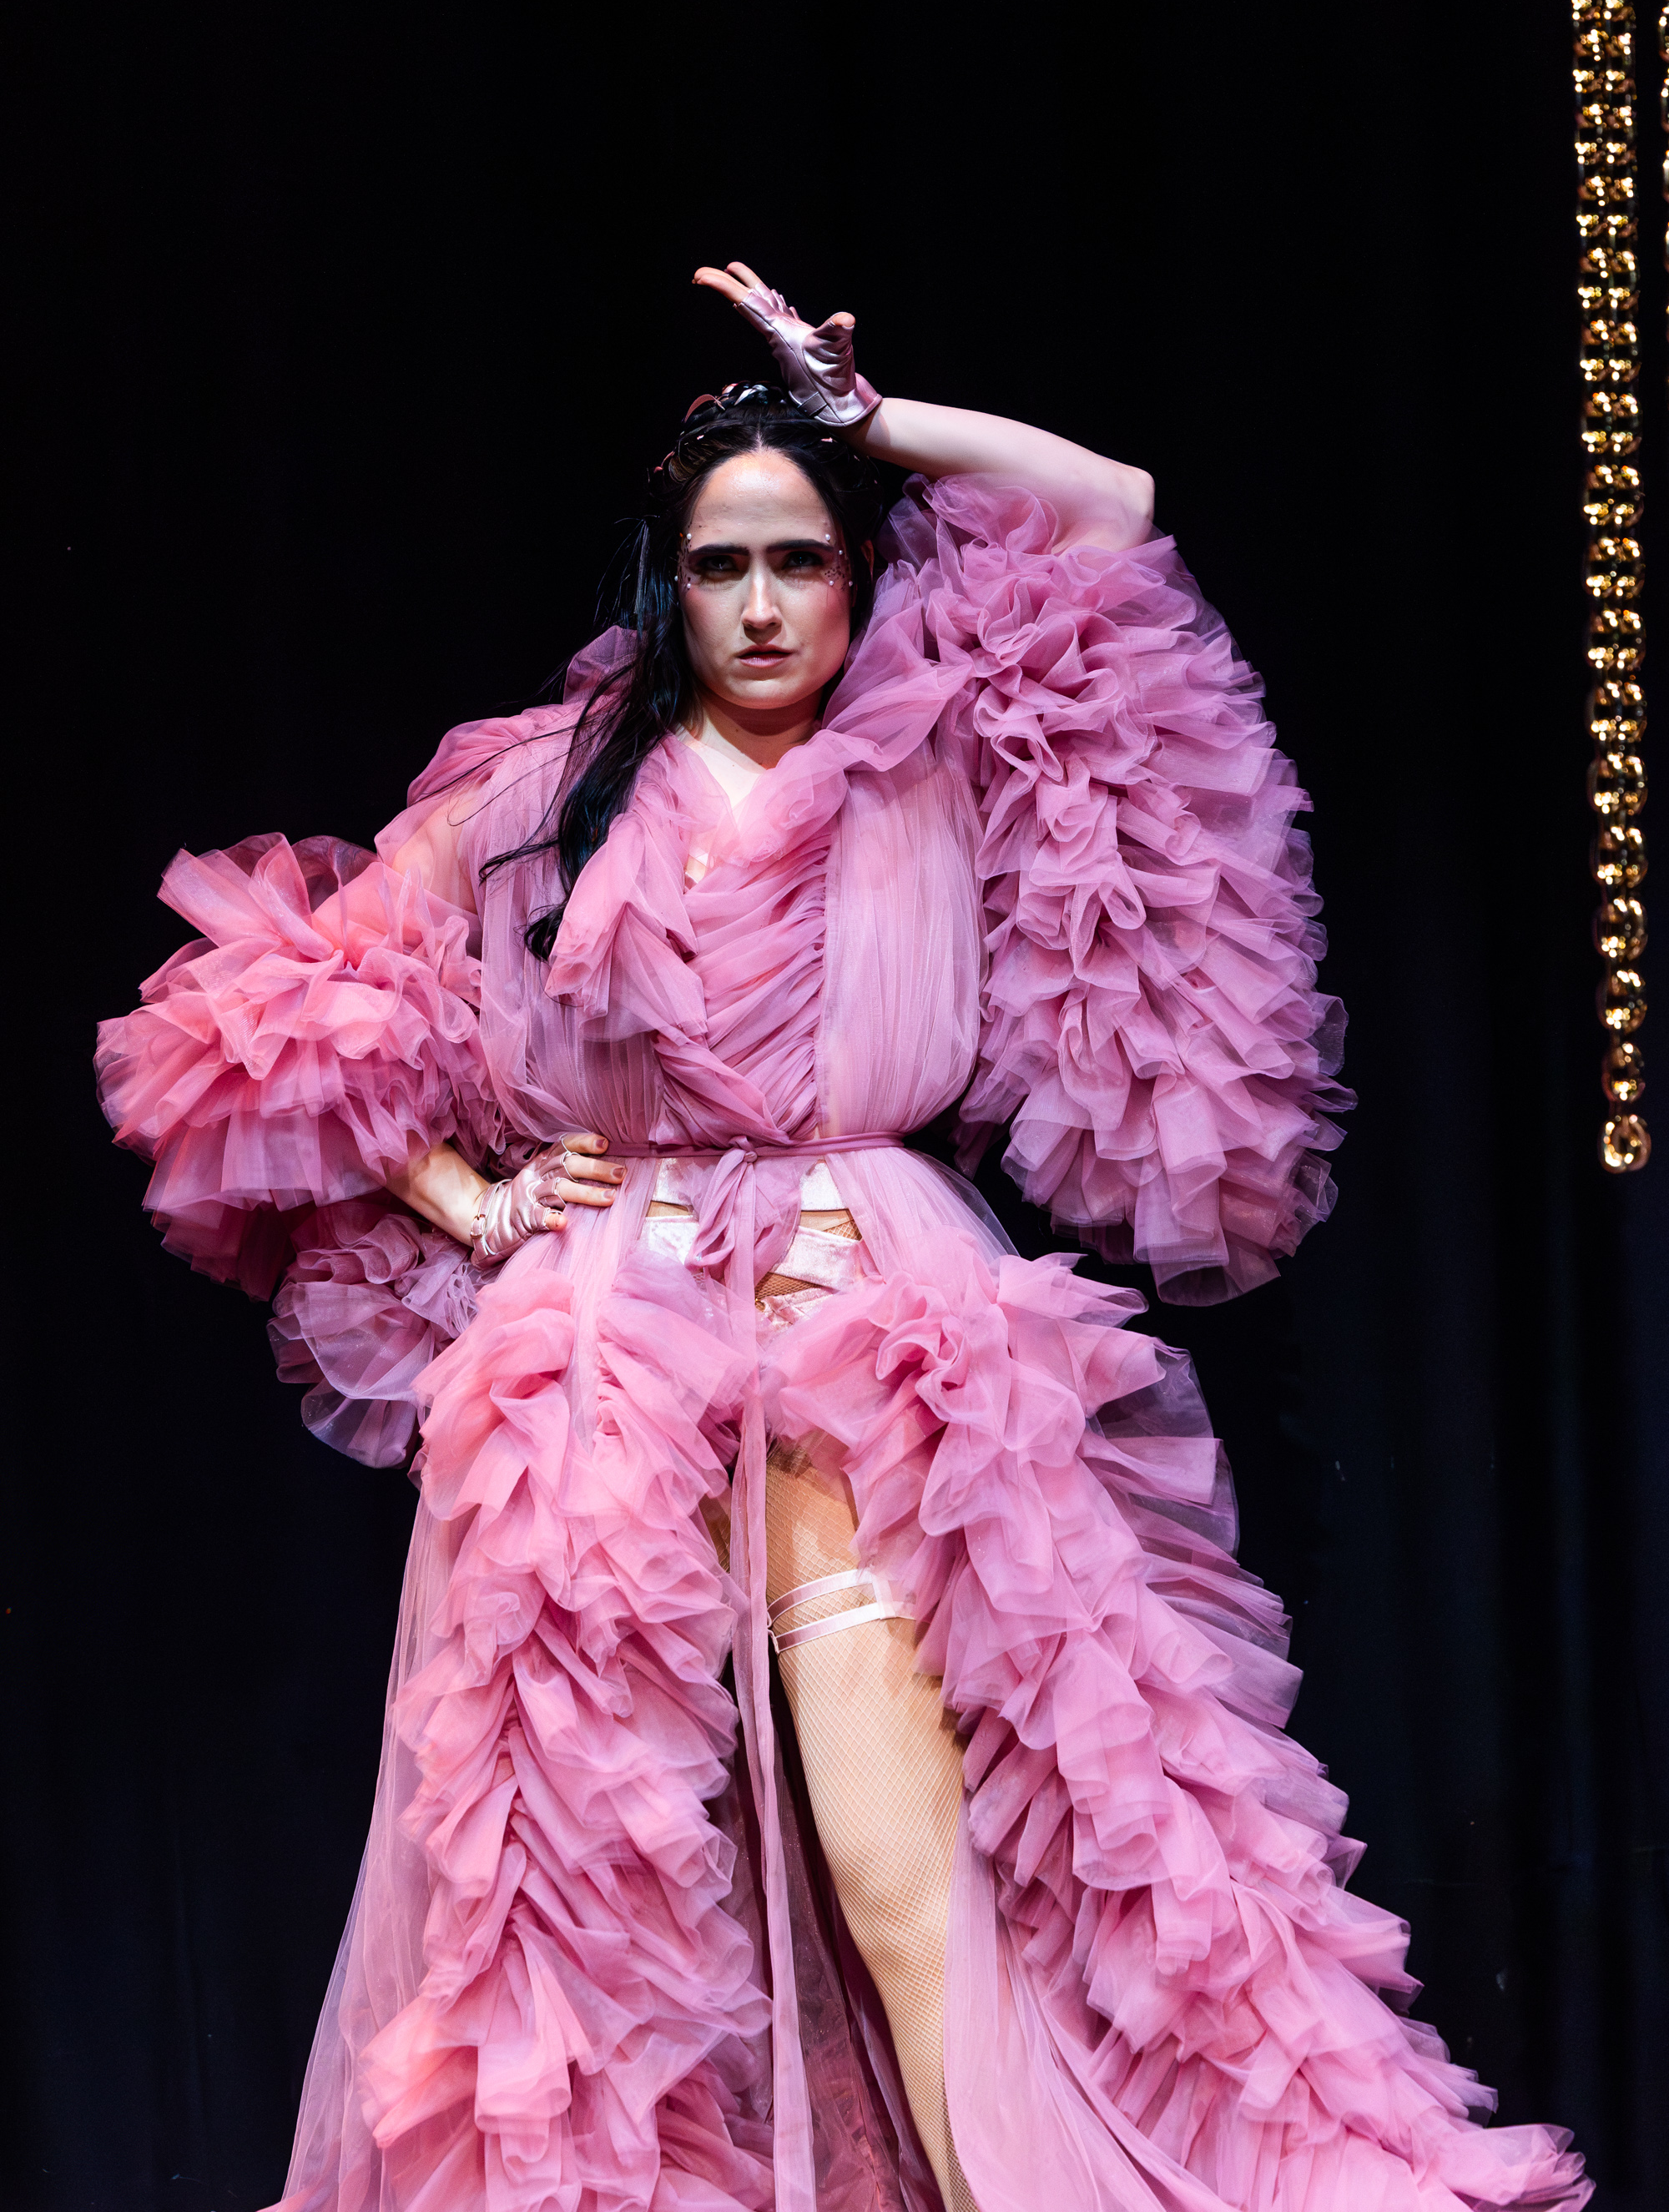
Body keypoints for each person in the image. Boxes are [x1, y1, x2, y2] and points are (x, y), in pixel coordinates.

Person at [98, 264, 1588, 2212]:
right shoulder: (546, 791)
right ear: (669, 586)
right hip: (608, 1349)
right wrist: (470, 1198)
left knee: (913, 1871)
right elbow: (259, 1013)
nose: (761, 604)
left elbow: (1111, 513)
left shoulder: (933, 750)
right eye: (720, 566)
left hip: (873, 1327)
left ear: (853, 572)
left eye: (799, 558)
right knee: (582, 1898)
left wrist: (872, 425)